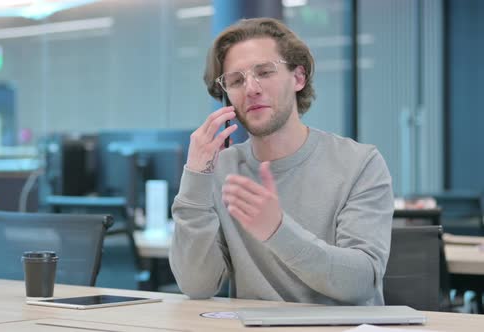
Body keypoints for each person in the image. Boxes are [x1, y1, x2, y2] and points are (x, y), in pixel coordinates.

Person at [169, 17, 394, 306]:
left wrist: (277, 230)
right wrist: (195, 176)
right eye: (236, 80)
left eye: (264, 72)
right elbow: (196, 286)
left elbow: (361, 283)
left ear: (298, 78)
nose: (251, 88)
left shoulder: (360, 164)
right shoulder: (221, 169)